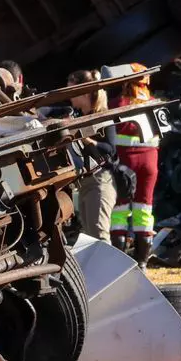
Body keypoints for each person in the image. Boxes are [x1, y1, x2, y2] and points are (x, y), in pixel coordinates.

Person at [103, 62, 161, 266]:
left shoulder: (117, 104)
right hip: (150, 164)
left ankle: (120, 264)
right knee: (144, 210)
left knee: (119, 211)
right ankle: (143, 263)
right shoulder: (155, 103)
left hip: (125, 164)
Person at [61, 69, 116, 243]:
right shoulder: (80, 117)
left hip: (100, 181)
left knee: (99, 235)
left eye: (73, 91)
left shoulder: (102, 116)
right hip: (86, 182)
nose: (70, 96)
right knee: (89, 236)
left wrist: (89, 141)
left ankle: (110, 270)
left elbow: (111, 149)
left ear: (84, 93)